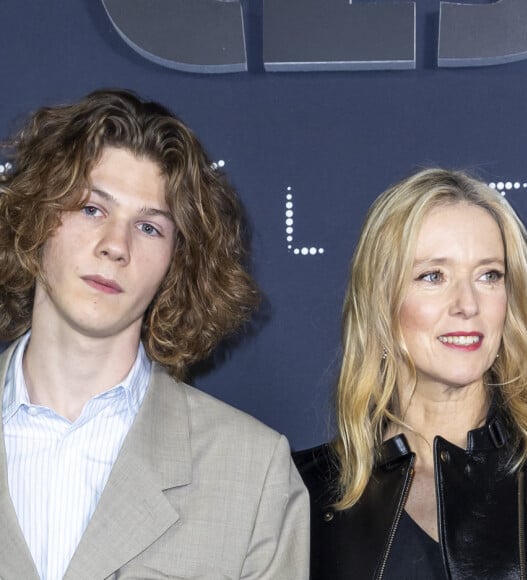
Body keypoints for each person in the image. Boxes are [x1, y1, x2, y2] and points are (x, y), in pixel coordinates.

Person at [0, 89, 309, 580]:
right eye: (91, 209)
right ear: (36, 217)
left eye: (148, 228)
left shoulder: (249, 471)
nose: (115, 246)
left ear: (176, 263)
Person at [295, 168, 527, 579]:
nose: (467, 304)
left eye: (489, 275)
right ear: (380, 302)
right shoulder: (302, 491)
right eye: (433, 276)